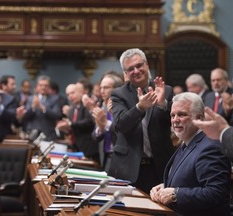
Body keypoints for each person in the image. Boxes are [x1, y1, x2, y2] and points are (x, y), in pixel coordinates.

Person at [150, 92, 231, 216]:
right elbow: (190, 179)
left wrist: (175, 194)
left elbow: (216, 193)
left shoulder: (210, 146)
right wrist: (165, 187)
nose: (175, 120)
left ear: (199, 118)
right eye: (172, 115)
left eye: (182, 114)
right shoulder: (186, 142)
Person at [109, 48, 175, 193]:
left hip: (159, 165)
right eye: (130, 69)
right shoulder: (118, 94)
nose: (136, 71)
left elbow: (174, 124)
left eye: (139, 65)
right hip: (128, 167)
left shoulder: (166, 90)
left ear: (147, 66)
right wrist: (139, 107)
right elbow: (121, 125)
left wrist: (162, 103)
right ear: (125, 74)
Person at [56, 83, 99, 162]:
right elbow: (73, 128)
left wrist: (70, 124)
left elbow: (90, 122)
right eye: (68, 94)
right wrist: (65, 128)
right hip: (77, 148)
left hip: (90, 149)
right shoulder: (72, 109)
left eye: (72, 93)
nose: (70, 96)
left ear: (81, 92)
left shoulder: (88, 104)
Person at [91, 72, 124, 172]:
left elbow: (123, 132)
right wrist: (100, 128)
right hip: (106, 157)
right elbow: (94, 136)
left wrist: (106, 123)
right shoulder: (103, 106)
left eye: (106, 88)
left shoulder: (123, 106)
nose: (102, 91)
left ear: (116, 89)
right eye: (101, 88)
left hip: (121, 158)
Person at [23, 75, 62, 141]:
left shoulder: (55, 99)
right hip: (33, 134)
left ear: (49, 87)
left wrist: (42, 107)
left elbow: (57, 115)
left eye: (46, 85)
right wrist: (33, 107)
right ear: (37, 87)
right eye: (41, 85)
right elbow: (25, 117)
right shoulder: (30, 99)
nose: (43, 87)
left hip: (48, 134)